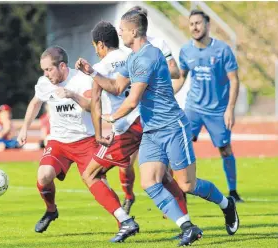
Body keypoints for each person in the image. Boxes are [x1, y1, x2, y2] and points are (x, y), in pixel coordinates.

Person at [76, 10, 239, 246]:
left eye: (122, 29)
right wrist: (92, 72)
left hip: (173, 127)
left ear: (133, 31)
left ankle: (227, 204)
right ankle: (187, 226)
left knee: (187, 185)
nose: (119, 32)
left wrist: (110, 118)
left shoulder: (148, 57)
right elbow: (116, 86)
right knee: (149, 182)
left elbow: (132, 101)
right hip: (151, 131)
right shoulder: (132, 57)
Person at [82, 21, 187, 242]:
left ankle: (125, 221)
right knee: (163, 176)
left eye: (95, 46)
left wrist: (100, 133)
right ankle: (185, 223)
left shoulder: (100, 68)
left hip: (127, 127)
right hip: (147, 120)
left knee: (91, 174)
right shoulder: (130, 55)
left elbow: (96, 103)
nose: (95, 50)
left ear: (100, 44)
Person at [17, 46, 133, 243]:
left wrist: (71, 95)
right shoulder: (45, 82)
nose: (46, 74)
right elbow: (35, 103)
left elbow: (92, 106)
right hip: (59, 142)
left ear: (62, 66)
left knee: (96, 181)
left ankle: (125, 221)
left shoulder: (81, 79)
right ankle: (51, 210)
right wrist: (24, 127)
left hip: (85, 141)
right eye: (43, 70)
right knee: (44, 176)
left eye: (49, 70)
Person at [117, 5, 184, 214]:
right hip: (132, 115)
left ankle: (179, 208)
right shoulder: (128, 50)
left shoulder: (157, 45)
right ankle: (128, 197)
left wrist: (154, 73)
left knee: (169, 175)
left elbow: (175, 71)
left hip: (155, 114)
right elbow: (119, 83)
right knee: (125, 162)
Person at [173, 9, 243, 202]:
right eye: (191, 24)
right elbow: (181, 78)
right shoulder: (186, 50)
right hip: (193, 107)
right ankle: (180, 190)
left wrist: (230, 109)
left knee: (225, 149)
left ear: (207, 25)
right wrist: (167, 95)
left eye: (198, 23)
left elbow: (234, 80)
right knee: (179, 144)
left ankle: (234, 192)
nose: (195, 27)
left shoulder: (222, 50)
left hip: (218, 110)